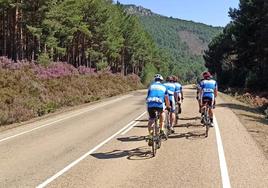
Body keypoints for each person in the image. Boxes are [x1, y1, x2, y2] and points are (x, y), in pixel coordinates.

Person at [146, 74, 170, 146]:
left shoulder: (151, 86)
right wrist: (168, 106)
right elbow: (166, 98)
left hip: (150, 104)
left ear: (155, 80)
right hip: (159, 104)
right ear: (161, 80)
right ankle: (162, 128)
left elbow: (147, 97)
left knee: (151, 119)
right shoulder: (164, 87)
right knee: (162, 112)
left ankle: (150, 135)